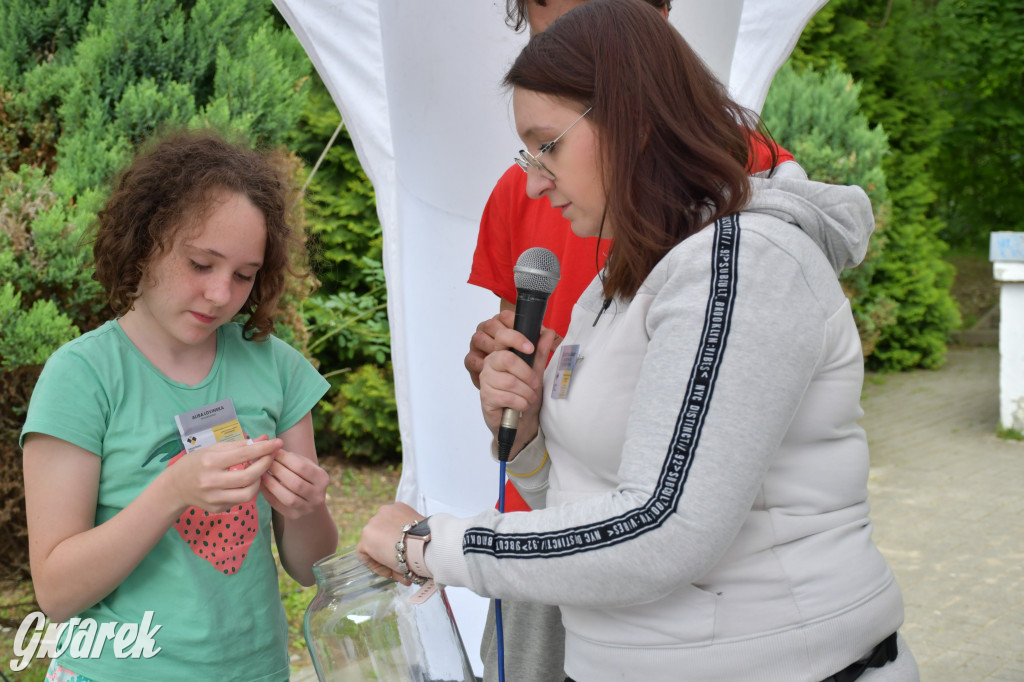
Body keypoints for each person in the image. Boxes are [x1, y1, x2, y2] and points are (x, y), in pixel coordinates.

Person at [361, 0, 918, 680]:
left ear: (633, 117)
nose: (533, 182)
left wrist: (430, 546)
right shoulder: (618, 286)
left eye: (548, 146)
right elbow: (583, 502)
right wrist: (532, 438)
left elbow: (663, 529)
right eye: (526, 152)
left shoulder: (744, 263)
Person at [465, 2, 795, 680]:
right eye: (545, 34)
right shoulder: (524, 187)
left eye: (596, 25)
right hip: (544, 530)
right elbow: (528, 369)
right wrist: (510, 386)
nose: (564, 53)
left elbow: (686, 503)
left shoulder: (749, 197)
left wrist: (436, 548)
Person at [21, 130, 339, 682]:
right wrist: (171, 492)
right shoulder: (82, 377)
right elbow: (56, 593)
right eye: (201, 264)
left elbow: (309, 568)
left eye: (244, 275)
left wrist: (306, 505)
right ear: (145, 242)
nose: (222, 294)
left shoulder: (277, 368)